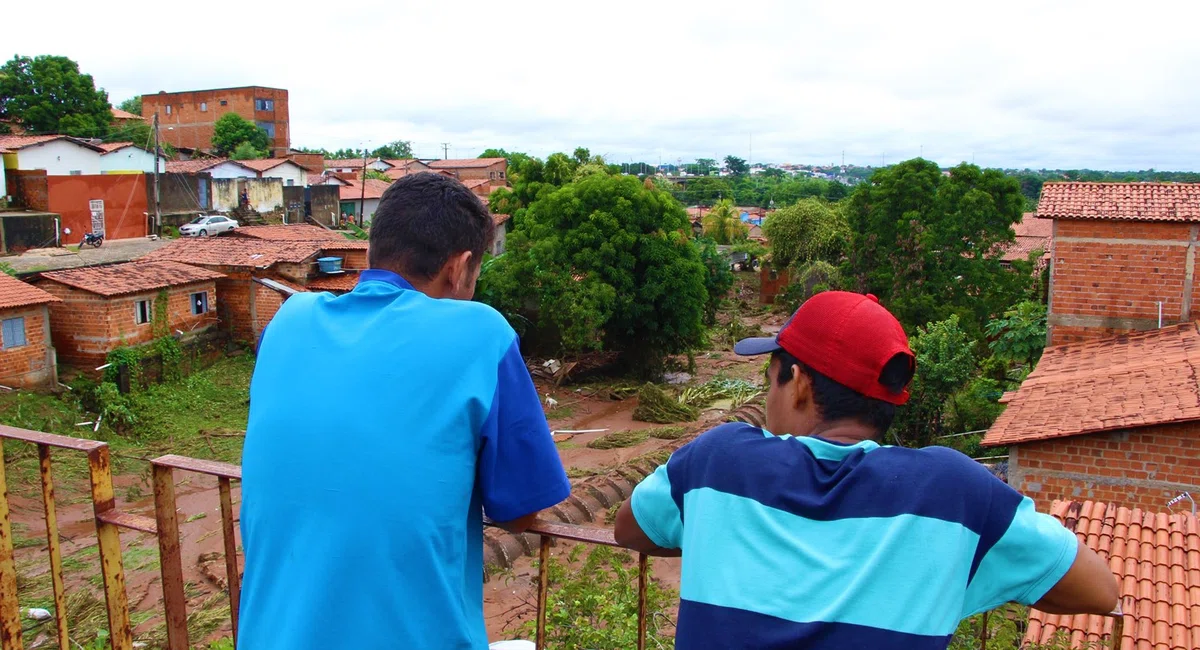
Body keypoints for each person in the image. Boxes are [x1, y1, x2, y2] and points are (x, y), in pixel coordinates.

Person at [615, 291, 1118, 649]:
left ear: (799, 383)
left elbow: (631, 529)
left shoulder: (719, 460)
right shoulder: (955, 490)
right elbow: (1100, 591)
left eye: (771, 379)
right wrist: (946, 574)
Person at [239, 173, 570, 649]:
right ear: (460, 268)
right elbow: (521, 512)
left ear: (373, 249)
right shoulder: (480, 334)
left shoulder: (287, 322)